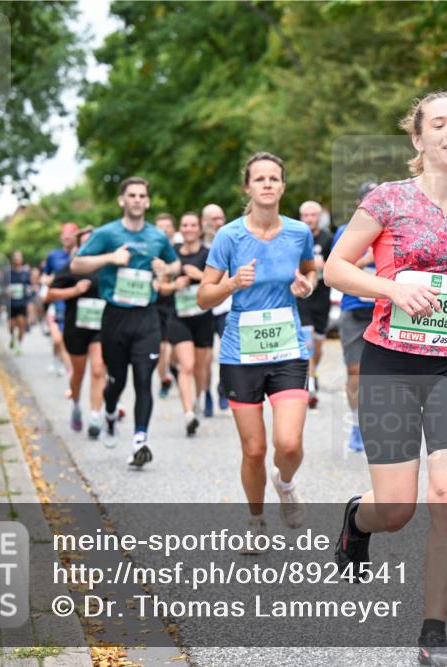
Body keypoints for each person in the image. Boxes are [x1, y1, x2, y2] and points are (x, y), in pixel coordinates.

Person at [324, 91, 447, 666]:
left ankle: (434, 636)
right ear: (418, 138)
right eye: (440, 124)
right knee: (397, 508)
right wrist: (393, 288)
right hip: (391, 361)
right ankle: (358, 520)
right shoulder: (387, 200)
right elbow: (335, 268)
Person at [197, 152, 316, 546]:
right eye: (259, 178)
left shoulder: (299, 232)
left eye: (274, 178)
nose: (267, 184)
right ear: (247, 187)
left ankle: (285, 483)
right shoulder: (229, 236)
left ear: (283, 186)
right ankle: (255, 521)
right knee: (254, 449)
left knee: (289, 444)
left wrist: (307, 286)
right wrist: (231, 284)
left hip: (287, 348)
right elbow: (203, 297)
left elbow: (309, 270)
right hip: (241, 353)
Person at [71, 177, 180, 467]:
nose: (137, 200)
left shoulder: (157, 236)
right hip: (115, 316)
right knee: (116, 382)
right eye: (131, 195)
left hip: (146, 316)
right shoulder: (107, 233)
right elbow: (77, 264)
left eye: (142, 195)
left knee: (143, 378)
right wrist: (110, 258)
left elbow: (175, 264)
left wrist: (165, 268)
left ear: (148, 201)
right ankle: (109, 413)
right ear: (122, 200)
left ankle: (139, 441)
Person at [45, 226, 106, 438]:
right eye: (85, 242)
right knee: (78, 374)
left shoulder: (106, 267)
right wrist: (75, 290)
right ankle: (76, 404)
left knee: (98, 369)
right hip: (76, 328)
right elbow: (50, 294)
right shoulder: (72, 267)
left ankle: (95, 416)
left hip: (100, 327)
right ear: (79, 246)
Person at [331, 181, 378, 452]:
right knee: (355, 371)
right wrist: (367, 258)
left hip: (386, 309)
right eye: (369, 197)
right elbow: (336, 269)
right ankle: (358, 425)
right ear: (360, 203)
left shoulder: (395, 230)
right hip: (354, 308)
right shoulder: (344, 231)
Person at [158, 212, 214, 436]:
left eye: (193, 225)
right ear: (180, 229)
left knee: (200, 367)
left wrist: (200, 276)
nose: (189, 229)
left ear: (199, 229)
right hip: (179, 317)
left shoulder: (208, 254)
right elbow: (161, 287)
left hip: (202, 317)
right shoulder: (172, 255)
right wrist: (175, 285)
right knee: (187, 365)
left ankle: (198, 398)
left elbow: (221, 283)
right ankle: (188, 413)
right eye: (185, 225)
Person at [295, 200, 334, 408]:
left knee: (318, 343)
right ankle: (309, 386)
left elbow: (338, 266)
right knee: (307, 340)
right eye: (306, 215)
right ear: (301, 217)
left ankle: (313, 372)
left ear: (319, 217)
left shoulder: (328, 238)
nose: (309, 219)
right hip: (302, 296)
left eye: (313, 215)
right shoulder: (296, 237)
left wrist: (323, 265)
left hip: (321, 297)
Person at [200, 203, 230, 416]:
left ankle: (223, 388)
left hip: (224, 307)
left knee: (226, 353)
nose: (218, 223)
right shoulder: (195, 244)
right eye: (214, 219)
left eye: (221, 218)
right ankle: (206, 394)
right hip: (199, 310)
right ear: (204, 222)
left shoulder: (230, 241)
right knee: (204, 358)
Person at [42, 224, 78, 377]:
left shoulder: (83, 254)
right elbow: (44, 276)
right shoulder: (53, 255)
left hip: (75, 303)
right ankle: (67, 368)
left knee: (67, 339)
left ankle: (61, 361)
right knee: (58, 340)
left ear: (77, 236)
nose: (67, 236)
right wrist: (48, 280)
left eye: (70, 233)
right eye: (64, 234)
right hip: (57, 303)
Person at [153, 213, 179, 399]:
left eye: (167, 226)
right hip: (157, 306)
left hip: (179, 305)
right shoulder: (151, 252)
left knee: (175, 351)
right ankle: (164, 380)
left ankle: (174, 370)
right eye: (159, 227)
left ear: (173, 229)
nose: (163, 230)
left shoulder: (179, 251)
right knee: (161, 349)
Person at [7, 251, 31, 353]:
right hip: (11, 303)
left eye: (19, 257)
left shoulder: (26, 273)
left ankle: (19, 345)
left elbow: (30, 286)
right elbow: (3, 285)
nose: (17, 259)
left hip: (22, 302)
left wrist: (29, 292)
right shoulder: (8, 273)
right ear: (13, 259)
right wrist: (6, 290)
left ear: (22, 259)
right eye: (15, 258)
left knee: (21, 324)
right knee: (11, 326)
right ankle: (12, 338)